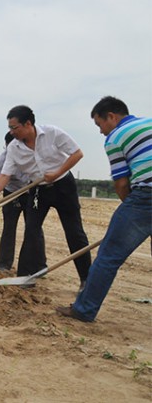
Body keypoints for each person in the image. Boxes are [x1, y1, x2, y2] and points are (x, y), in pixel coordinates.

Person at [56, 96, 151, 322]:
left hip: (146, 195)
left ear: (112, 116)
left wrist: (132, 211)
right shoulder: (149, 123)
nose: (101, 131)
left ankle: (84, 309)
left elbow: (120, 183)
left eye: (100, 124)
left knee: (108, 256)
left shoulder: (115, 137)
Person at [0, 105, 92, 292]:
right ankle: (24, 278)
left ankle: (86, 280)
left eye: (14, 127)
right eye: (9, 128)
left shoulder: (52, 133)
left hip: (64, 186)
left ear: (28, 124)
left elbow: (77, 154)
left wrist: (57, 173)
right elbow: (4, 175)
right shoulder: (14, 148)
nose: (11, 132)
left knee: (74, 233)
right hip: (38, 190)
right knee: (31, 230)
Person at [0, 132, 33, 271]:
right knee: (9, 227)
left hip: (30, 191)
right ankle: (4, 264)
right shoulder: (2, 160)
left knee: (33, 228)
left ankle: (37, 265)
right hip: (11, 193)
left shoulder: (30, 154)